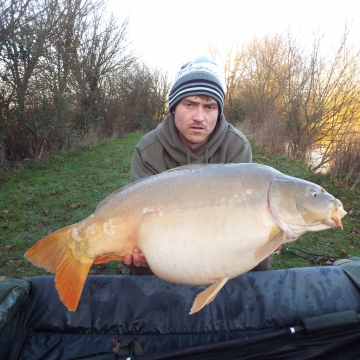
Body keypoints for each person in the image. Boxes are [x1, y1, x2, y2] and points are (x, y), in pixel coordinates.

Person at [123, 55, 272, 274]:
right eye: (190, 104)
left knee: (260, 249)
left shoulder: (236, 145)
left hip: (221, 235)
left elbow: (242, 214)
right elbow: (136, 215)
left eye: (210, 106)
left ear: (219, 112)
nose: (199, 117)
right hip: (165, 241)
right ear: (174, 107)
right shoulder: (148, 150)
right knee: (138, 257)